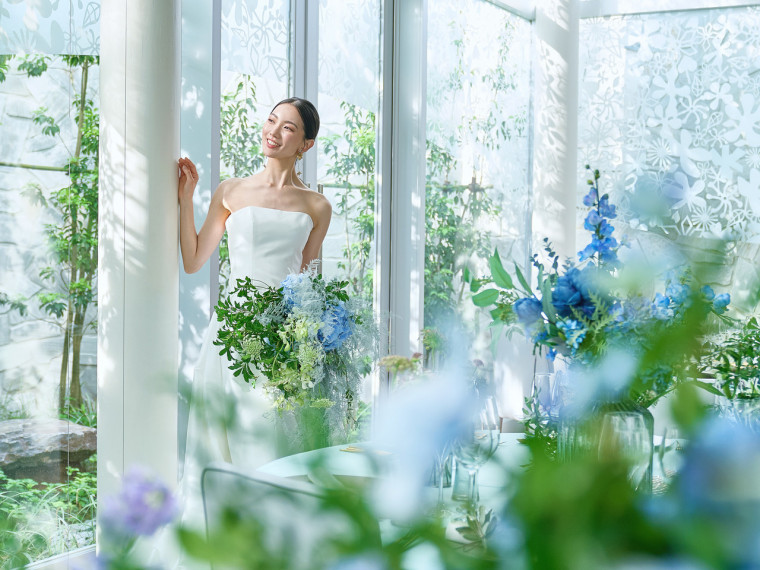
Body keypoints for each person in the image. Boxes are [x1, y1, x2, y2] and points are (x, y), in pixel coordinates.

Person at [176, 97, 331, 533]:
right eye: (271, 120)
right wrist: (187, 198)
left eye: (288, 128)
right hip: (230, 336)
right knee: (220, 445)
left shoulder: (316, 206)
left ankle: (274, 544)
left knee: (271, 446)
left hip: (281, 341)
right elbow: (192, 260)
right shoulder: (231, 191)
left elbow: (308, 285)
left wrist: (308, 346)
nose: (273, 131)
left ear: (305, 144)